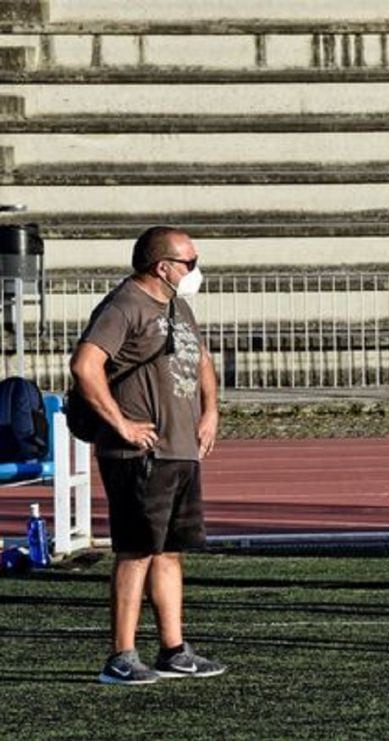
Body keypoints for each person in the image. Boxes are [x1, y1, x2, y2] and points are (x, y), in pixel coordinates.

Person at [70, 226, 226, 684]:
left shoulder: (178, 306)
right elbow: (85, 364)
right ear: (164, 267)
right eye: (190, 262)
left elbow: (201, 360)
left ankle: (173, 650)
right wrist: (120, 423)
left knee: (169, 551)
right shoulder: (124, 305)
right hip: (138, 454)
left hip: (179, 449)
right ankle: (121, 656)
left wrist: (210, 411)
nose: (195, 271)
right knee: (136, 551)